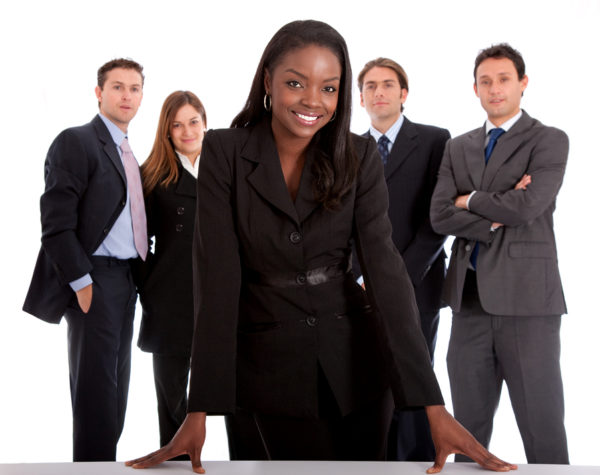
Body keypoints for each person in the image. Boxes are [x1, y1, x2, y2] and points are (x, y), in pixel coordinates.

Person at [127, 21, 515, 473]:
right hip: (266, 369)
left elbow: (386, 272)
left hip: (358, 366)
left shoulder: (358, 156)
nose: (313, 100)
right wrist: (200, 409)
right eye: (296, 83)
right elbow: (216, 276)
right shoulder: (224, 150)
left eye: (328, 88)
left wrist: (432, 404)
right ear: (268, 79)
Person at [430, 43, 569, 464]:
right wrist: (494, 211)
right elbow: (438, 215)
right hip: (468, 302)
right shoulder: (458, 146)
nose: (494, 89)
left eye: (503, 79)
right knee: (467, 437)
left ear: (522, 84)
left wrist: (468, 200)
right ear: (475, 89)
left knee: (542, 427)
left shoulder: (548, 140)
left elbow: (528, 207)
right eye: (485, 81)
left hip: (527, 304)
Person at [23, 58, 146, 461]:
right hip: (95, 280)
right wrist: (83, 283)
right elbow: (55, 223)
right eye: (117, 87)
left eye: (134, 88)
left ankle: (103, 466)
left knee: (115, 397)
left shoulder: (127, 151)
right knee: (95, 398)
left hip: (127, 282)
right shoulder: (76, 141)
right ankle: (93, 470)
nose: (126, 95)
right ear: (99, 93)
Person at [355, 57, 450, 462]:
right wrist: (358, 276)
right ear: (360, 98)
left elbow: (438, 216)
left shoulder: (433, 140)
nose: (380, 92)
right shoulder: (348, 148)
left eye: (388, 84)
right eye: (371, 86)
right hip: (360, 284)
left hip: (418, 279)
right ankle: (374, 459)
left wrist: (403, 276)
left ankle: (415, 462)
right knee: (369, 373)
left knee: (415, 369)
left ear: (403, 94)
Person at [138, 91, 207, 449]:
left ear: (205, 123)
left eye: (193, 122)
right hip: (170, 300)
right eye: (176, 125)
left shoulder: (227, 170)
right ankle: (176, 465)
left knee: (235, 395)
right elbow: (134, 242)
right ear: (166, 131)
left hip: (219, 298)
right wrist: (148, 284)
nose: (186, 131)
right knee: (172, 403)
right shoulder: (152, 176)